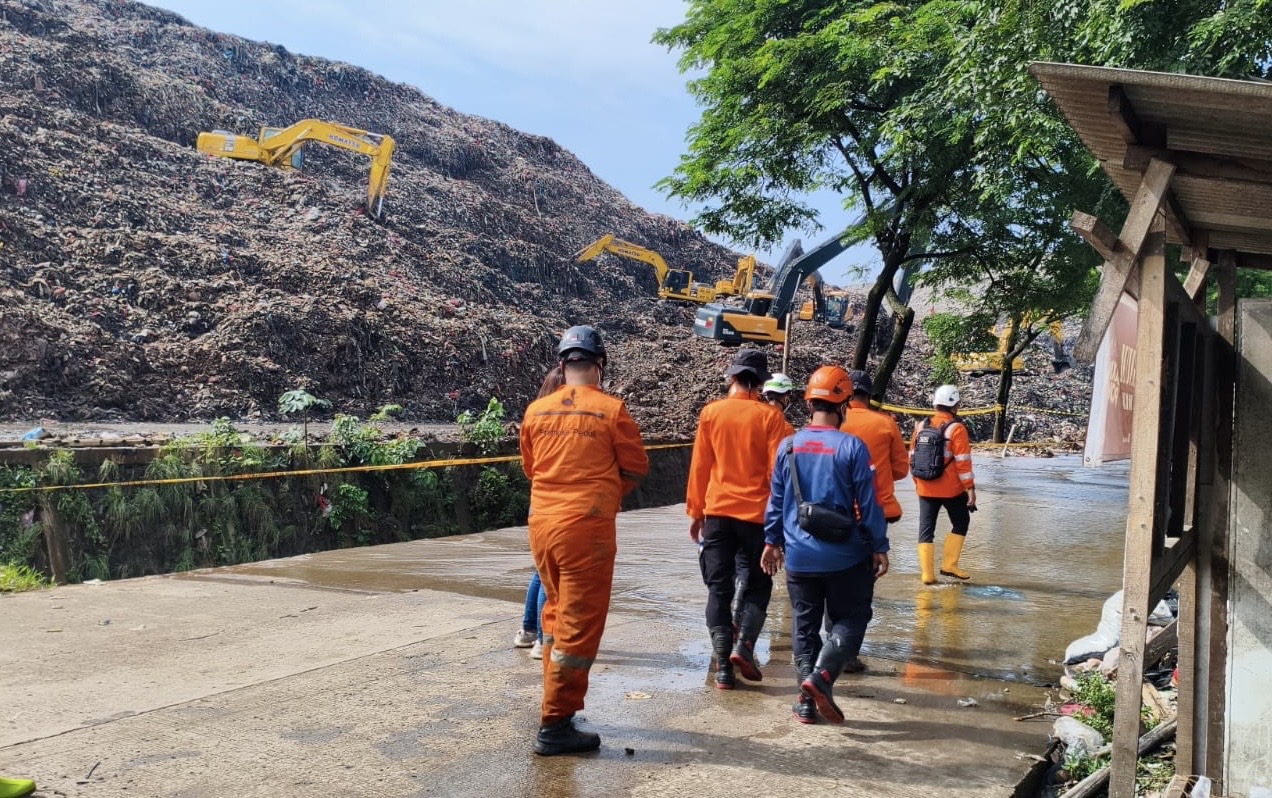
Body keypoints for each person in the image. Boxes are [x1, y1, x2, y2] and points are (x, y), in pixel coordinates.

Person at [520, 325, 649, 756]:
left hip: (542, 524)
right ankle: (555, 725)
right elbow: (635, 467)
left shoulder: (536, 411)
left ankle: (556, 708)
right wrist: (603, 494)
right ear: (600, 365)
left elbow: (531, 469)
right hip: (585, 529)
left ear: (562, 364)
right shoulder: (610, 410)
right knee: (579, 626)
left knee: (555, 615)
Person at [760, 365, 889, 724]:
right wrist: (879, 545)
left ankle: (806, 703)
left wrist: (771, 541)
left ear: (808, 404)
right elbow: (871, 503)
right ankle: (822, 677)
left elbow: (776, 502)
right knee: (852, 616)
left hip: (799, 557)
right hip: (845, 556)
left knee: (804, 626)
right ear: (844, 404)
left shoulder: (788, 447)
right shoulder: (852, 447)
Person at [686, 349, 791, 690]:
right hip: (756, 516)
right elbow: (779, 474)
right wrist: (778, 527)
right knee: (760, 583)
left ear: (732, 378)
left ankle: (722, 669)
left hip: (717, 512)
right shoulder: (771, 418)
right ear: (761, 383)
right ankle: (744, 644)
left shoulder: (711, 413)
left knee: (719, 588)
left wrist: (695, 511)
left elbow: (700, 466)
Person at [513, 366, 565, 660]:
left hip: (539, 503)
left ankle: (528, 631)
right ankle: (545, 640)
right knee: (553, 575)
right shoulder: (567, 423)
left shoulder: (534, 416)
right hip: (560, 505)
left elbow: (528, 465)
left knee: (541, 570)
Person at [911, 384, 977, 585]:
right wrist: (971, 489)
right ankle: (949, 565)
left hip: (925, 487)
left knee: (925, 530)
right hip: (951, 490)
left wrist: (918, 483)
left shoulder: (921, 426)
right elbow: (963, 463)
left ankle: (927, 576)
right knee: (961, 522)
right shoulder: (957, 428)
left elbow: (912, 458)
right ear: (955, 405)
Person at [839, 370, 909, 525]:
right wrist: (880, 473)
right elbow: (901, 469)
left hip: (840, 509)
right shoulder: (886, 423)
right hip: (878, 509)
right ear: (869, 397)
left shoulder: (834, 423)